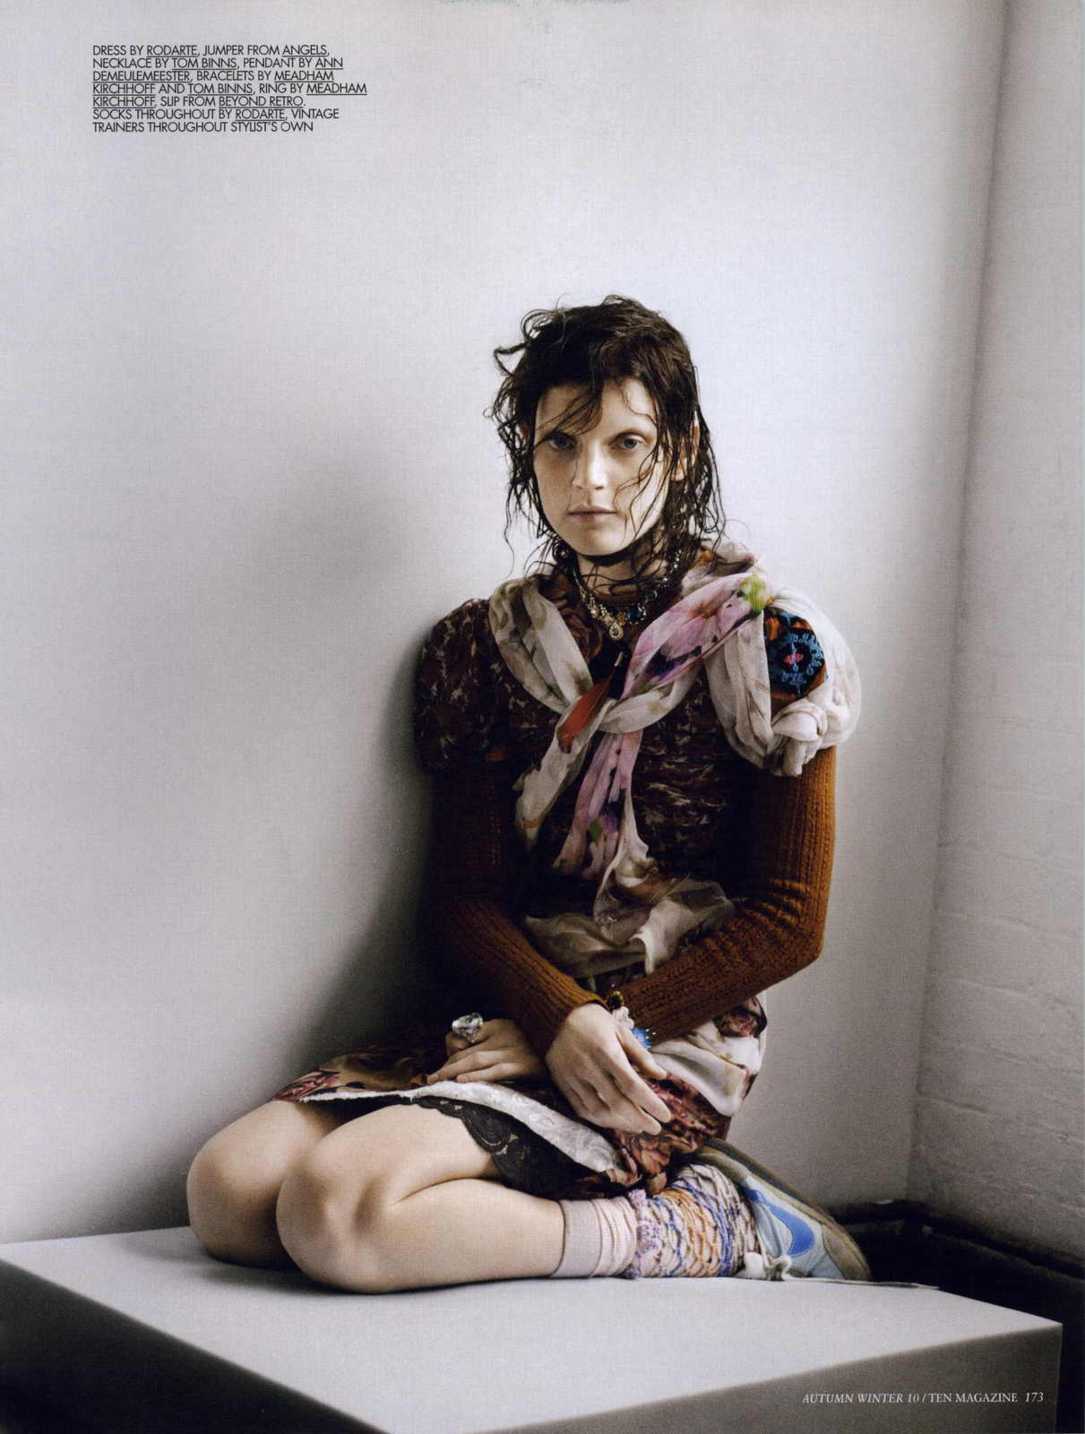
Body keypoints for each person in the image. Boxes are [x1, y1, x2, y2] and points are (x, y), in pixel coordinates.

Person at [187, 294, 867, 1292]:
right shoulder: (484, 646)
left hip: (658, 1035)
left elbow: (789, 920)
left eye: (626, 443)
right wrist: (551, 1017)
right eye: (560, 443)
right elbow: (461, 900)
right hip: (511, 1006)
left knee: (338, 1213)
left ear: (678, 448)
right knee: (229, 1195)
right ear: (527, 452)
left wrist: (610, 1024)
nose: (589, 479)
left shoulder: (768, 639)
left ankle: (707, 1225)